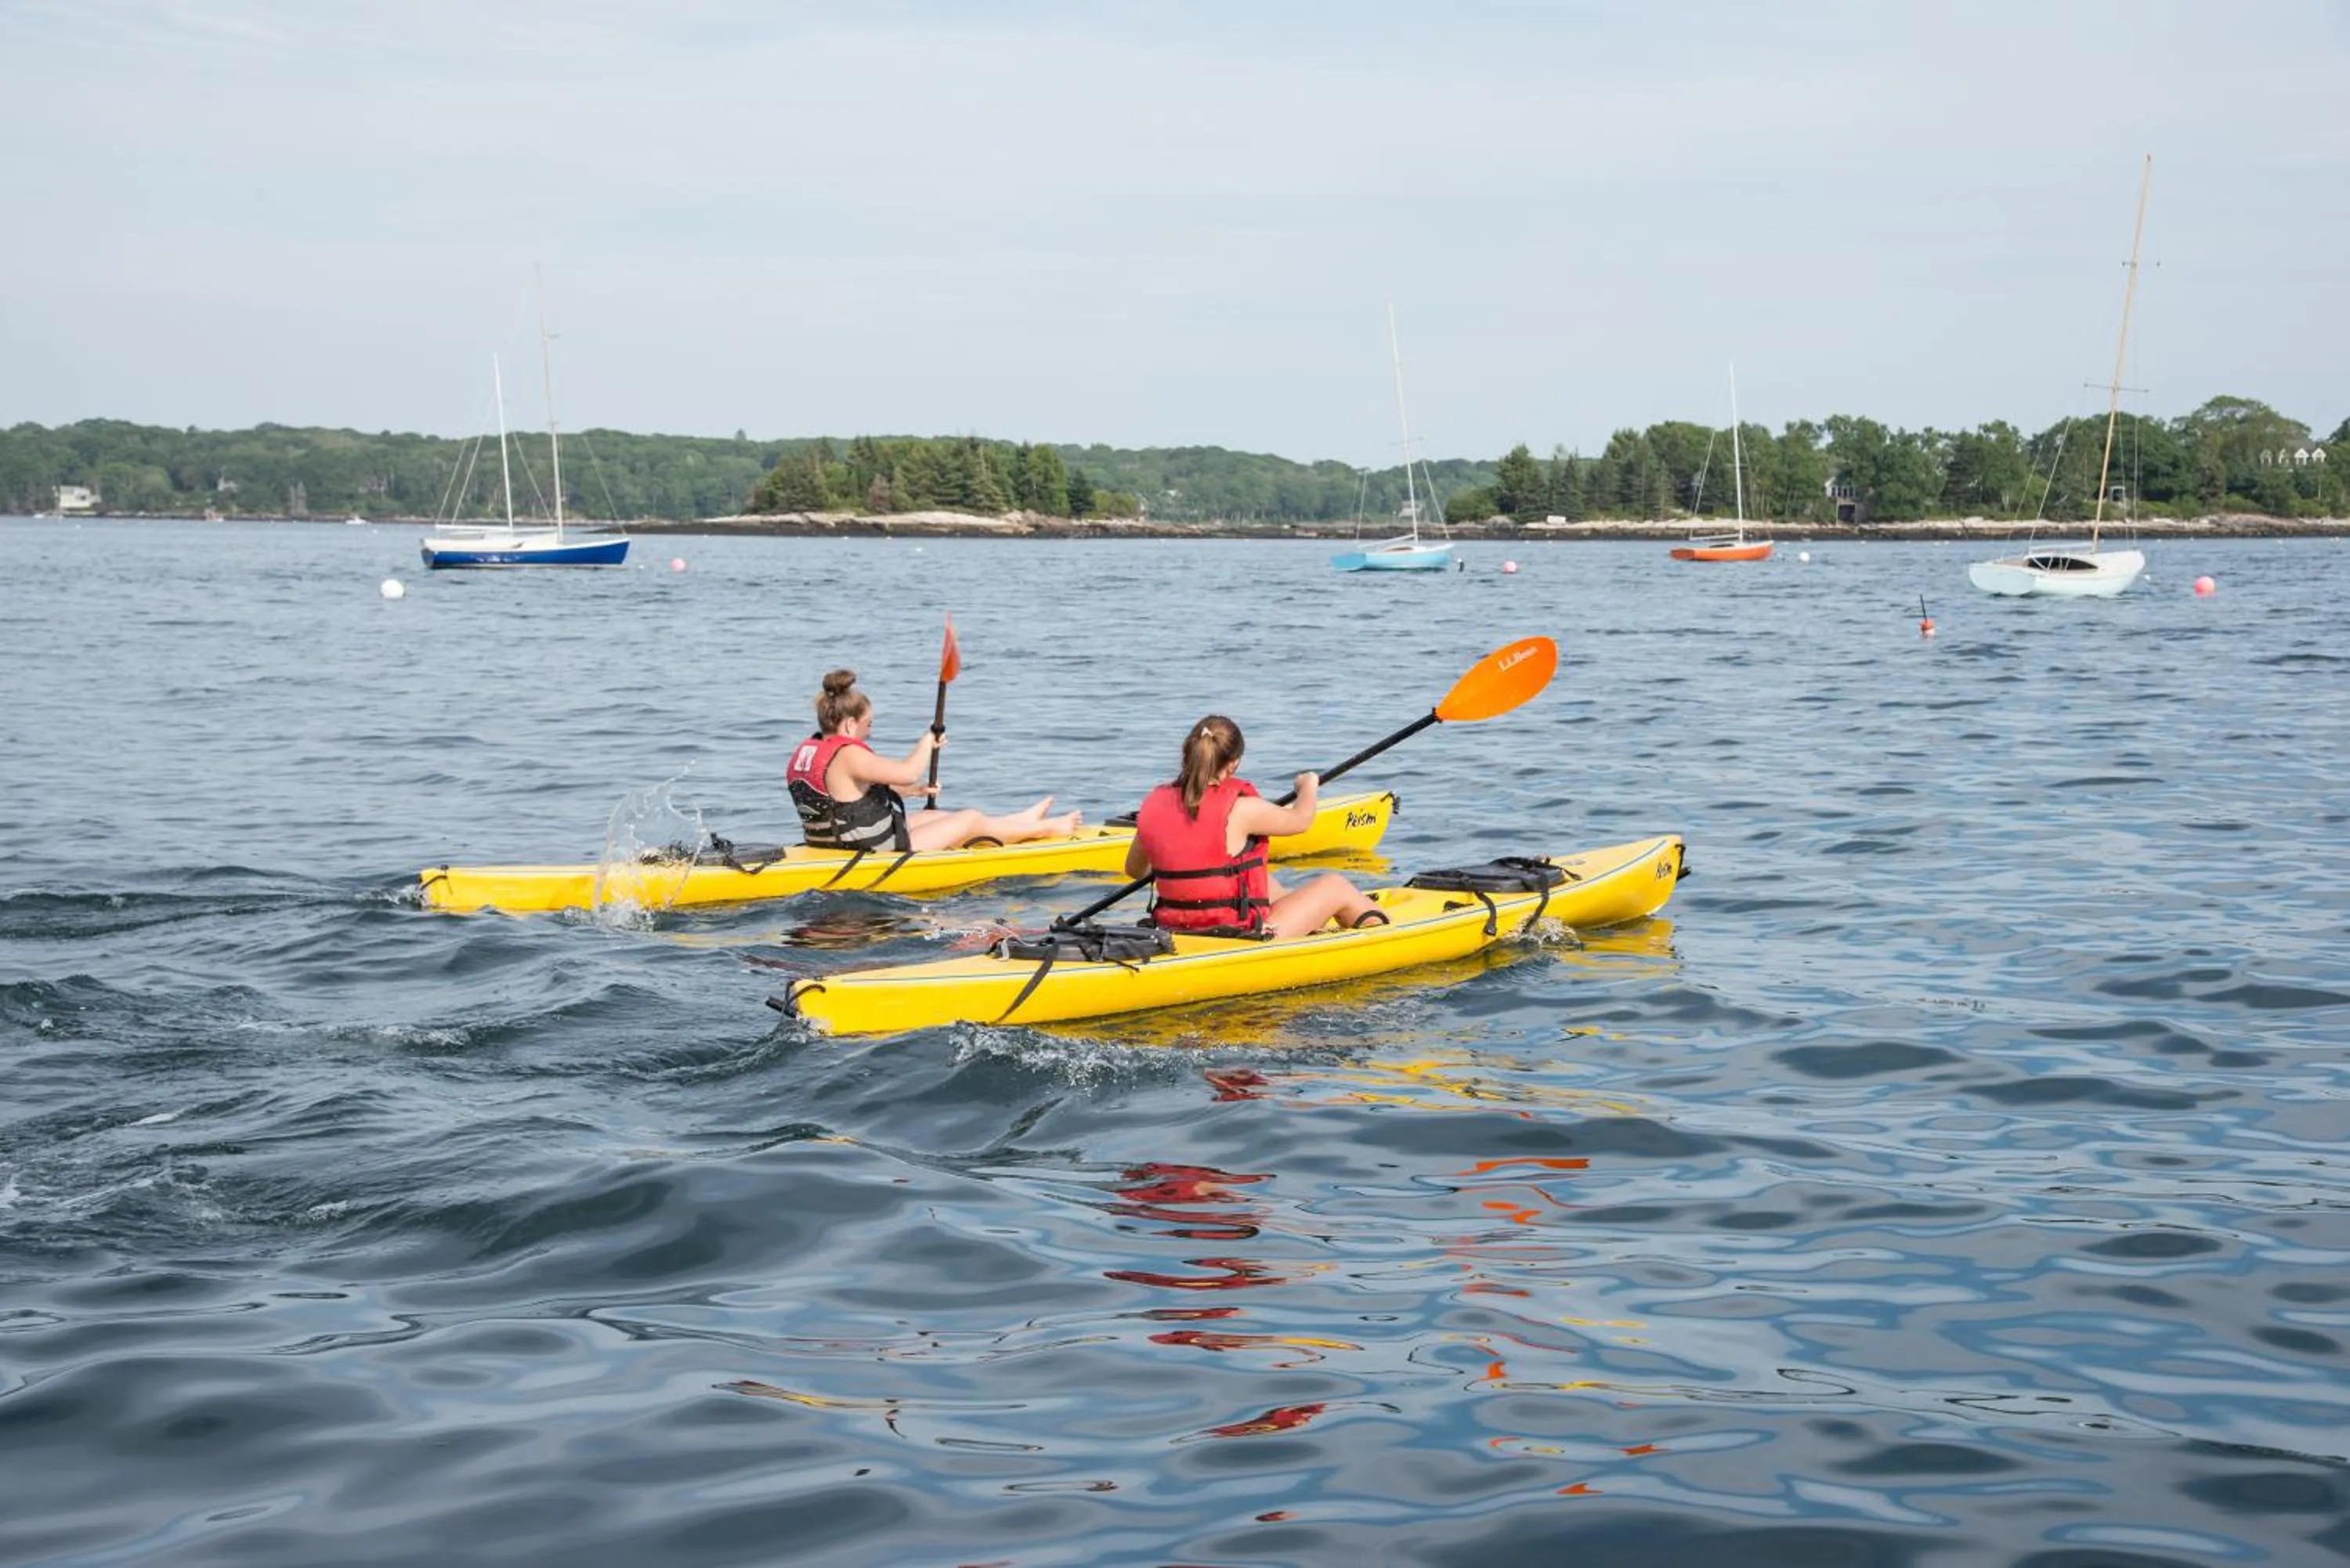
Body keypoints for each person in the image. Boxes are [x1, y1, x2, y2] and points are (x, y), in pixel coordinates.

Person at [1123, 714, 1386, 938]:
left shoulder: (1153, 804)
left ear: (1188, 753)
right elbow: (1302, 820)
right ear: (1234, 763)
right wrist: (1308, 785)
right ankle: (1382, 936)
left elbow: (1135, 870)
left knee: (1260, 879)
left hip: (1176, 928)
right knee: (1335, 885)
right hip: (1240, 934)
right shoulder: (1243, 810)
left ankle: (1309, 925)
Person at [788, 669, 1079, 854]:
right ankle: (1048, 830)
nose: (870, 731)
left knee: (931, 817)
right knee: (968, 818)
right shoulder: (849, 754)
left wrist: (914, 792)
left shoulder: (811, 750)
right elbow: (906, 772)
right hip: (869, 848)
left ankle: (1018, 822)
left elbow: (849, 796)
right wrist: (927, 740)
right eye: (869, 724)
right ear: (850, 725)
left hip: (836, 841)